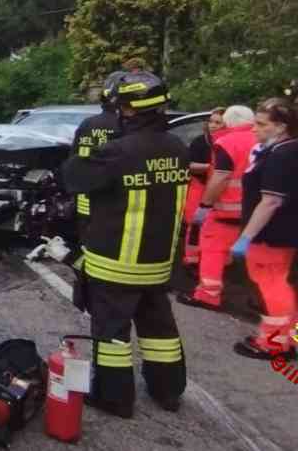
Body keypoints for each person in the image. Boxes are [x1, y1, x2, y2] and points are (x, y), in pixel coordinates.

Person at [60, 70, 188, 418]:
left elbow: (73, 177)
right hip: (158, 262)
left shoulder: (118, 152)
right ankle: (168, 391)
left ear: (129, 110)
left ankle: (115, 398)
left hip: (116, 262)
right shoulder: (178, 147)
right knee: (160, 329)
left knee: (112, 335)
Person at [230, 98, 298, 360]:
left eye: (261, 124)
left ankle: (275, 343)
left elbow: (271, 200)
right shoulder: (293, 149)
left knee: (271, 284)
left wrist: (245, 237)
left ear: (281, 127)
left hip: (272, 234)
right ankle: (283, 336)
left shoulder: (283, 155)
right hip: (285, 231)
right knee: (278, 282)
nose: (254, 129)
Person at [178, 106, 256, 311]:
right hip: (254, 210)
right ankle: (259, 298)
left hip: (225, 208)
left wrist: (205, 204)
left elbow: (221, 176)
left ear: (229, 122)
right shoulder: (262, 139)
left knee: (213, 250)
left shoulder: (227, 141)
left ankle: (208, 295)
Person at [67, 70, 123, 312]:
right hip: (119, 202)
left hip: (87, 200)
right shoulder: (129, 129)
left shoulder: (89, 125)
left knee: (88, 249)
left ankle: (86, 291)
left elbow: (75, 162)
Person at [181, 107, 226, 266]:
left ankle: (217, 260)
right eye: (211, 121)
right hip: (199, 185)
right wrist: (210, 167)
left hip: (220, 188)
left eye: (217, 122)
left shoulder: (227, 143)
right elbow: (189, 165)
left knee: (217, 228)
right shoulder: (201, 141)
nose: (212, 125)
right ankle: (192, 259)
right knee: (195, 223)